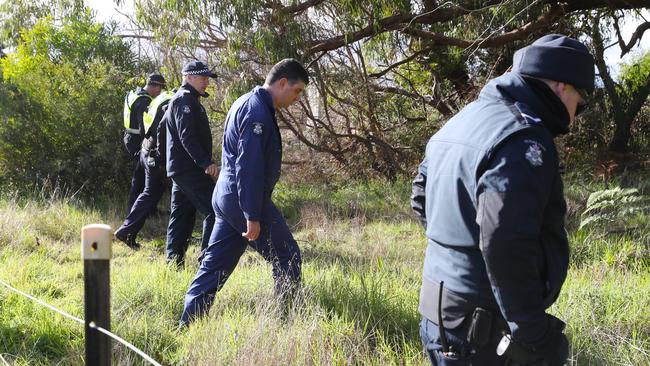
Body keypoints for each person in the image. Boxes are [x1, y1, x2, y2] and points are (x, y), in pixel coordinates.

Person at [411, 34, 594, 366]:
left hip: (439, 315)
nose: (575, 115)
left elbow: (420, 197)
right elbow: (504, 241)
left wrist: (460, 247)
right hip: (482, 332)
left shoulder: (462, 121)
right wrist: (533, 334)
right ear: (561, 86)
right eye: (579, 103)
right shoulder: (523, 137)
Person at [179, 58, 309, 327]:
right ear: (282, 83)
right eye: (297, 91)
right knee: (287, 255)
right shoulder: (257, 112)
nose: (297, 98)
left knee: (214, 267)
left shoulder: (247, 101)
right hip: (242, 199)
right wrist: (251, 214)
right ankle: (289, 322)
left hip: (228, 197)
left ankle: (187, 324)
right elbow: (248, 166)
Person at [165, 61, 219, 266]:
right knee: (214, 210)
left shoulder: (188, 100)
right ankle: (208, 261)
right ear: (188, 78)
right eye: (202, 78)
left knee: (182, 217)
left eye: (207, 78)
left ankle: (173, 264)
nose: (206, 82)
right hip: (190, 169)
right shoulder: (184, 101)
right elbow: (187, 138)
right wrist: (206, 163)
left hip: (182, 168)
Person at [114, 86, 175, 250]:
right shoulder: (172, 103)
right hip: (151, 153)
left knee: (146, 191)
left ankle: (127, 231)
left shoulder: (159, 99)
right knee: (150, 192)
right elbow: (162, 133)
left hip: (145, 149)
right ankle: (126, 230)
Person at [123, 73, 166, 215]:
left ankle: (147, 210)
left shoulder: (135, 93)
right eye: (160, 88)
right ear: (154, 85)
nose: (160, 91)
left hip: (130, 137)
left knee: (144, 177)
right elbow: (144, 127)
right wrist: (150, 143)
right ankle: (135, 212)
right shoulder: (144, 101)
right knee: (141, 178)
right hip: (137, 142)